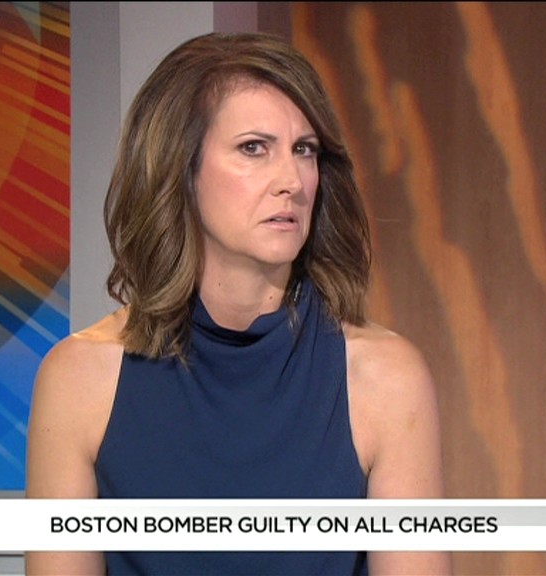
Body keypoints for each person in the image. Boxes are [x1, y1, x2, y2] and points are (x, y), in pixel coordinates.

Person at [25, 31, 448, 575]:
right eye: (254, 148)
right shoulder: (79, 380)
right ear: (181, 168)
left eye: (304, 150)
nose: (292, 181)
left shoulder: (387, 379)